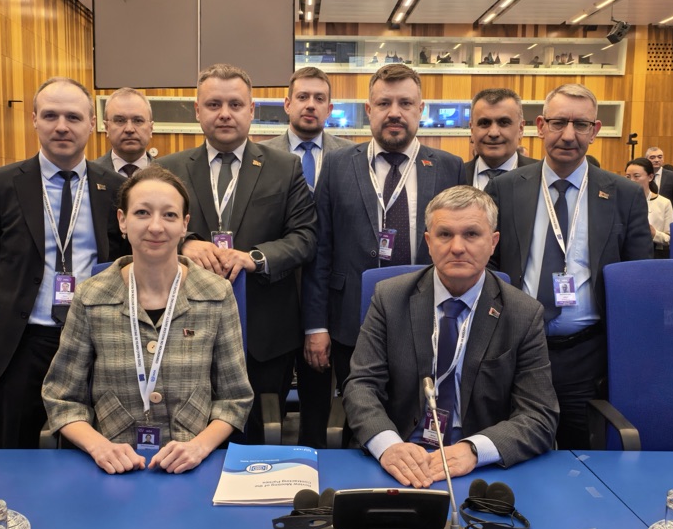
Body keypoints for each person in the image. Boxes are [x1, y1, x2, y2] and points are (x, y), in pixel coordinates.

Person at [343, 186, 559, 487]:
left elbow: (539, 414)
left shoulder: (523, 313)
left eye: (471, 234)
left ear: (493, 242)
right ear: (429, 242)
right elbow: (361, 386)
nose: (457, 247)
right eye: (445, 234)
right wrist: (388, 445)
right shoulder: (390, 298)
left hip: (479, 469)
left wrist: (474, 450)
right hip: (401, 457)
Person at [42, 166, 253, 474]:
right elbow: (62, 398)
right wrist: (99, 446)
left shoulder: (216, 294)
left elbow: (235, 399)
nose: (156, 226)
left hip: (192, 467)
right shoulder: (91, 296)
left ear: (184, 225)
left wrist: (199, 447)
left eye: (169, 215)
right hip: (112, 467)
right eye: (142, 213)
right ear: (122, 220)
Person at [158, 64, 317, 444]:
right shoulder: (167, 170)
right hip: (186, 333)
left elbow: (305, 236)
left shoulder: (284, 167)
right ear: (198, 110)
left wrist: (254, 258)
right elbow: (149, 229)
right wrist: (184, 243)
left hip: (265, 335)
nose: (225, 114)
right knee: (188, 440)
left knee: (259, 439)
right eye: (214, 104)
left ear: (251, 110)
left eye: (235, 104)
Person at [489, 83, 652, 449]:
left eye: (581, 125)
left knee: (581, 455)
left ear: (595, 131)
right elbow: (491, 266)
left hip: (587, 355)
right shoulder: (506, 189)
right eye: (559, 122)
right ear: (540, 126)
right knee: (513, 448)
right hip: (516, 349)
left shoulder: (624, 195)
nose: (568, 135)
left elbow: (637, 279)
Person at [0, 77, 127, 449]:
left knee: (92, 448)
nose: (61, 126)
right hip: (24, 339)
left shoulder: (114, 187)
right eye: (50, 115)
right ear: (34, 120)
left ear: (92, 123)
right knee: (17, 449)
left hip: (95, 339)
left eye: (73, 117)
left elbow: (120, 259)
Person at [302, 63, 464, 405]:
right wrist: (316, 326)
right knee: (359, 412)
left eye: (405, 103)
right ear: (368, 109)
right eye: (384, 103)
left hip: (427, 319)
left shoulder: (449, 167)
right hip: (352, 318)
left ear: (420, 109)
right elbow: (320, 250)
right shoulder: (337, 164)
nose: (394, 113)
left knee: (419, 411)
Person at [265, 67, 353, 447]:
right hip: (274, 291)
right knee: (269, 396)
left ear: (330, 108)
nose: (310, 105)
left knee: (318, 395)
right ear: (287, 104)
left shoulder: (350, 156)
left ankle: (316, 462)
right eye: (302, 97)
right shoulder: (261, 154)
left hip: (328, 294)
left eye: (319, 98)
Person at [463, 88, 536, 190]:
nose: (493, 133)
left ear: (521, 128)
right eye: (484, 123)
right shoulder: (454, 177)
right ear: (472, 129)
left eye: (504, 123)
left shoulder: (541, 176)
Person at [95, 87, 155, 177]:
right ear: (107, 127)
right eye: (120, 121)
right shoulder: (88, 175)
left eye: (138, 121)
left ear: (151, 128)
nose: (129, 129)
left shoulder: (169, 177)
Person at [624, 157, 673, 257]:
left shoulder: (664, 203)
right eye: (628, 177)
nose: (631, 180)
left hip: (654, 253)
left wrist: (654, 234)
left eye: (636, 176)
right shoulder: (621, 200)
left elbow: (670, 238)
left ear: (650, 177)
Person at [645, 146, 673, 212]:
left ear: (663, 159)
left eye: (660, 157)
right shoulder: (642, 175)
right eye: (652, 157)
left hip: (667, 213)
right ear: (646, 160)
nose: (656, 160)